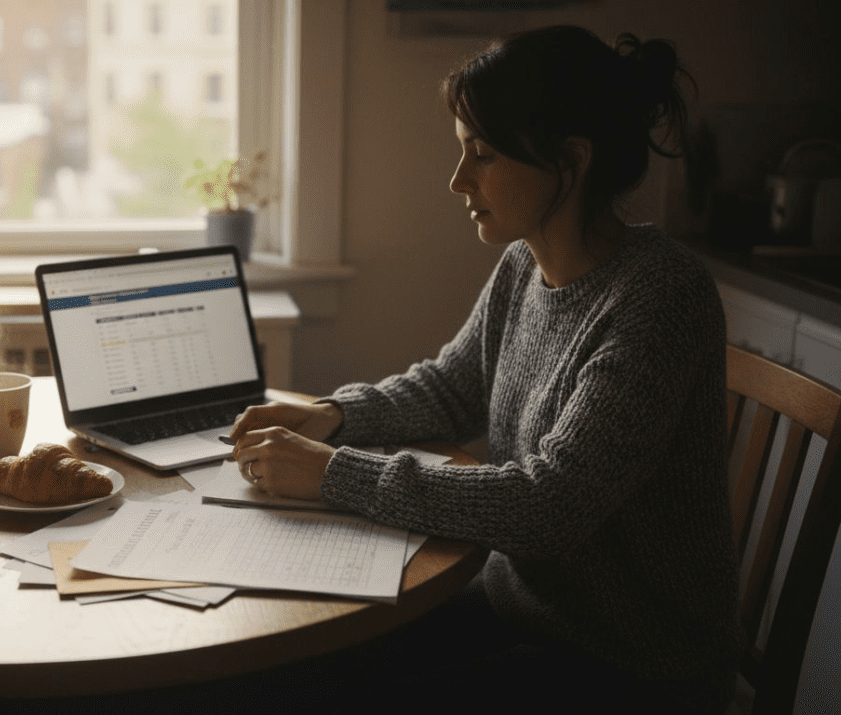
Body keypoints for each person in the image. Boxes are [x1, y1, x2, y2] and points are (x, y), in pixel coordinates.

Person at [227, 25, 743, 715]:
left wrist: (330, 472)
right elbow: (451, 386)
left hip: (629, 663)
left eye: (483, 154)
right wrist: (335, 415)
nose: (457, 180)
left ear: (572, 160)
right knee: (291, 666)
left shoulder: (660, 298)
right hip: (523, 612)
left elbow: (548, 505)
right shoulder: (525, 264)